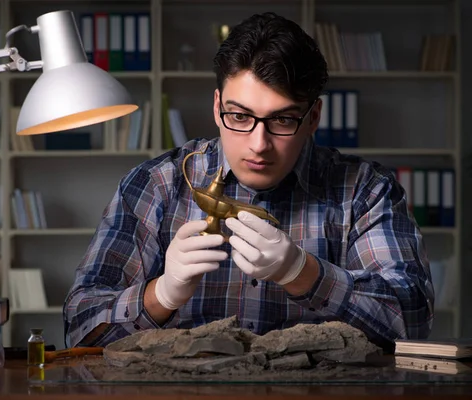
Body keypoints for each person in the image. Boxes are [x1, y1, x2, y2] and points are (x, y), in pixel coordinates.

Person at [63, 12, 434, 352]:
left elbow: (414, 323)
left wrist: (303, 273)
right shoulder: (155, 185)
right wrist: (162, 294)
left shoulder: (365, 190)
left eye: (283, 120)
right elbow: (79, 329)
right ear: (216, 106)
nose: (259, 144)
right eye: (239, 116)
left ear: (313, 116)